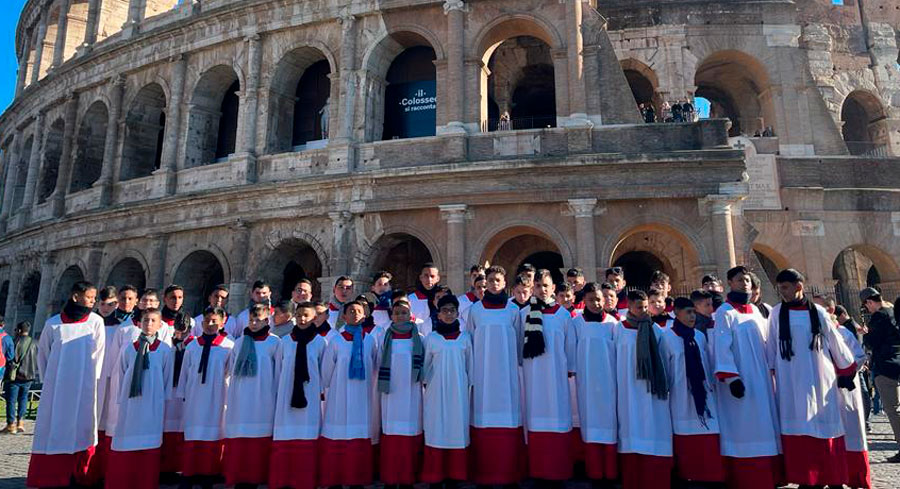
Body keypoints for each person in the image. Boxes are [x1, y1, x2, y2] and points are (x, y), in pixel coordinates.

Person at [767, 268, 856, 486]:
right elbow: (771, 347)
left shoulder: (818, 312)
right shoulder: (777, 313)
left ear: (799, 287)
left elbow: (835, 342)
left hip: (819, 379)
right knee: (798, 431)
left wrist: (846, 370)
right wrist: (770, 374)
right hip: (790, 382)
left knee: (825, 430)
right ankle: (807, 478)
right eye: (780, 288)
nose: (782, 292)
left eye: (785, 287)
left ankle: (831, 477)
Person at [26, 281, 106, 488]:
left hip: (84, 387)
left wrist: (91, 381)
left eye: (94, 297)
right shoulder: (53, 323)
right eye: (90, 297)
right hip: (57, 388)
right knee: (56, 427)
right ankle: (54, 475)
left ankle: (78, 474)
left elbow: (99, 354)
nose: (93, 301)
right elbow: (43, 354)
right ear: (76, 297)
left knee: (82, 429)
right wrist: (49, 382)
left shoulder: (96, 322)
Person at [712, 266, 781, 489]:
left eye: (748, 281)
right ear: (730, 283)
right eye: (740, 280)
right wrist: (732, 378)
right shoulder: (724, 311)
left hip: (762, 380)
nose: (745, 284)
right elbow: (722, 346)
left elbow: (768, 343)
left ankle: (768, 477)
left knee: (765, 425)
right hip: (740, 382)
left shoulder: (756, 310)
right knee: (744, 427)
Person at [466, 265, 526, 486]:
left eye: (498, 280)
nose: (493, 284)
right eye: (490, 280)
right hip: (483, 375)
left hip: (507, 373)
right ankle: (484, 472)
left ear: (504, 284)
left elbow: (519, 341)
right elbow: (471, 340)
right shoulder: (475, 310)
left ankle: (509, 472)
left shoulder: (512, 311)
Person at [105, 307, 173, 489]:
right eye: (145, 320)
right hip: (131, 403)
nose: (149, 324)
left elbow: (167, 378)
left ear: (159, 325)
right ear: (140, 323)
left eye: (152, 321)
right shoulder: (129, 349)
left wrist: (161, 401)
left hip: (153, 404)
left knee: (149, 445)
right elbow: (122, 372)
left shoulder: (165, 350)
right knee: (127, 441)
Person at [662, 297, 726, 485]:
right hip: (680, 395)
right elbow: (665, 368)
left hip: (704, 395)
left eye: (693, 312)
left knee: (708, 436)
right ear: (676, 313)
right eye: (688, 312)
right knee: (685, 439)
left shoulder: (699, 335)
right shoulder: (667, 337)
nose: (692, 316)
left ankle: (711, 477)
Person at [520, 270, 575, 485]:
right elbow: (519, 343)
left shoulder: (563, 315)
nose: (542, 290)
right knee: (535, 420)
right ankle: (538, 471)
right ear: (532, 288)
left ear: (553, 288)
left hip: (556, 377)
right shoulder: (524, 314)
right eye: (538, 286)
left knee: (557, 419)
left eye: (546, 286)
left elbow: (569, 346)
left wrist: (569, 367)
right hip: (533, 376)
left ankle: (558, 471)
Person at [615, 290, 673, 489]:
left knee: (654, 428)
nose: (644, 311)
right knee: (632, 429)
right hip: (627, 390)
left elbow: (664, 360)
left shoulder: (656, 329)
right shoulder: (618, 329)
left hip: (652, 391)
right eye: (639, 307)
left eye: (646, 307)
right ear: (629, 307)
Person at [320, 300, 379, 488]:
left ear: (365, 315)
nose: (355, 314)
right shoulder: (336, 340)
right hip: (339, 395)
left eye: (359, 311)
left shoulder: (370, 340)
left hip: (362, 394)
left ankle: (357, 478)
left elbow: (375, 364)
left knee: (359, 434)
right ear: (344, 316)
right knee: (338, 434)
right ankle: (335, 477)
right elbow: (327, 369)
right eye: (351, 311)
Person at [269, 301, 328, 489]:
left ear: (314, 318)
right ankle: (283, 479)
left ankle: (304, 479)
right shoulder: (285, 341)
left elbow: (323, 371)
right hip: (287, 394)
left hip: (309, 395)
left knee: (307, 435)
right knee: (286, 435)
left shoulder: (320, 342)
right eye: (300, 315)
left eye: (307, 316)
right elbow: (278, 368)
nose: (302, 319)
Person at [223, 303, 281, 489]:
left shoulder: (274, 342)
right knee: (240, 437)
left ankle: (256, 476)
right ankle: (238, 475)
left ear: (267, 320)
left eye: (258, 319)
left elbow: (278, 370)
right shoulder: (239, 342)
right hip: (240, 396)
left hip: (263, 397)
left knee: (258, 439)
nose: (254, 323)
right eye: (251, 320)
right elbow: (232, 368)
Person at [176, 307, 235, 489]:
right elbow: (184, 372)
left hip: (216, 397)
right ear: (201, 323)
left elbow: (230, 373)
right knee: (193, 435)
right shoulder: (193, 345)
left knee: (212, 437)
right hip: (194, 397)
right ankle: (189, 474)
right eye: (207, 321)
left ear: (222, 322)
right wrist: (183, 394)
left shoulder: (228, 345)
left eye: (214, 321)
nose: (210, 325)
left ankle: (208, 475)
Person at [569, 283, 618, 485]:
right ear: (584, 301)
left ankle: (611, 473)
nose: (596, 303)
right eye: (591, 300)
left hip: (609, 384)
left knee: (609, 425)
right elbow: (572, 351)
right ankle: (595, 473)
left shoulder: (613, 324)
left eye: (599, 299)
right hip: (587, 384)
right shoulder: (577, 324)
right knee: (590, 427)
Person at [422, 294, 473, 486]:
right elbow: (425, 367)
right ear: (438, 314)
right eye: (445, 310)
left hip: (459, 391)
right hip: (436, 392)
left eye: (452, 310)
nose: (449, 314)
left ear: (458, 313)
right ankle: (435, 475)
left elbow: (471, 365)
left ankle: (455, 475)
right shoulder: (431, 339)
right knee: (437, 429)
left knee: (456, 430)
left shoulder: (465, 338)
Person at [378, 300, 426, 487]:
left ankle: (408, 477)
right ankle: (390, 477)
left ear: (410, 315)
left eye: (404, 313)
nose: (400, 316)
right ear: (391, 316)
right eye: (396, 313)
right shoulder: (384, 337)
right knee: (391, 432)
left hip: (411, 391)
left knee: (410, 431)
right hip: (390, 392)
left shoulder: (419, 338)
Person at [834, 304, 872, 489]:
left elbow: (859, 356)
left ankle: (853, 475)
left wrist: (846, 374)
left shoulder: (844, 333)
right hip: (827, 394)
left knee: (851, 432)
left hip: (846, 390)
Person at [861, 287, 900, 462]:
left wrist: (867, 334)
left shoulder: (878, 317)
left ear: (870, 302)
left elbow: (871, 342)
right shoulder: (892, 311)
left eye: (866, 306)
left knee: (892, 410)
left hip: (885, 366)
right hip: (897, 361)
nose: (867, 309)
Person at [3, 321, 36, 435]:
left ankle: (11, 425)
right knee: (23, 398)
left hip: (15, 376)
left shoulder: (14, 342)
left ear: (19, 330)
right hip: (29, 376)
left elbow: (10, 358)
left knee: (11, 400)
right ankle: (21, 423)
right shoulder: (34, 343)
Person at [410, 263, 441, 334]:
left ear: (438, 278)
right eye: (426, 276)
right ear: (421, 278)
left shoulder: (443, 297)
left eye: (432, 276)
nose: (429, 279)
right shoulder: (411, 299)